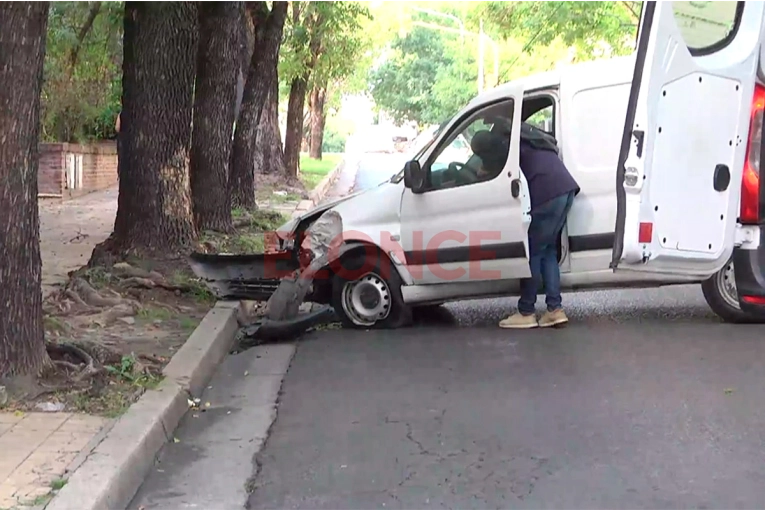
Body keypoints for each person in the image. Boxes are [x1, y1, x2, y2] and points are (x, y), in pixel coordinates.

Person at [498, 124, 580, 329]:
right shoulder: (533, 140)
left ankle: (526, 311)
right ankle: (554, 309)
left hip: (548, 195)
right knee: (548, 250)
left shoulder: (509, 146)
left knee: (533, 252)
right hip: (566, 189)